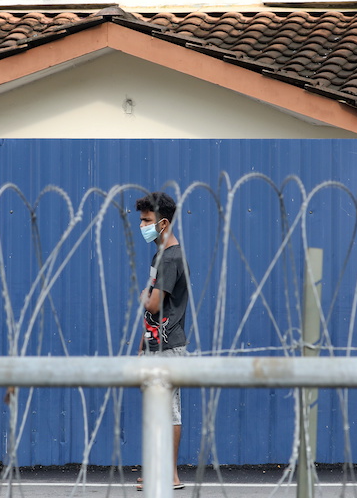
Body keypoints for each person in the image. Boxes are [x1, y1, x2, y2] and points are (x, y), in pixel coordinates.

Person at [135, 192, 189, 491]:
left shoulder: (170, 257)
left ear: (163, 222)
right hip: (156, 343)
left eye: (146, 220)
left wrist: (143, 296)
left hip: (169, 347)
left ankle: (170, 475)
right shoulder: (161, 254)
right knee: (158, 409)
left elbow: (154, 304)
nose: (141, 225)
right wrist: (142, 346)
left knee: (169, 410)